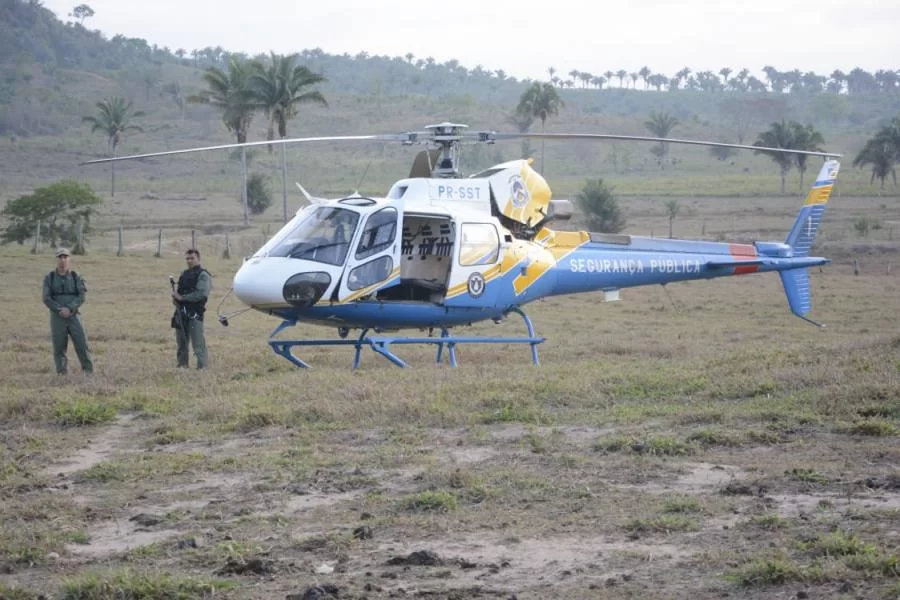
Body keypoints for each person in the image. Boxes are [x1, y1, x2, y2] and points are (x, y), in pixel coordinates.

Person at [42, 248, 93, 375]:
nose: (62, 260)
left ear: (69, 259)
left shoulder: (76, 276)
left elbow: (81, 296)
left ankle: (88, 371)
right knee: (58, 346)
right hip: (57, 317)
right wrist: (59, 309)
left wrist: (70, 308)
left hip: (74, 315)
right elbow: (46, 298)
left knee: (82, 343)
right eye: (60, 257)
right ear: (56, 259)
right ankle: (62, 373)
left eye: (65, 257)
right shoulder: (49, 277)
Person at [172, 248, 210, 369]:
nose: (189, 261)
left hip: (195, 313)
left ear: (198, 259)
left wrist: (182, 298)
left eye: (192, 258)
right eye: (187, 258)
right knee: (181, 343)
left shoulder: (203, 275)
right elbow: (179, 292)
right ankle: (182, 366)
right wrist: (176, 299)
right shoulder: (184, 274)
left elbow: (201, 294)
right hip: (181, 312)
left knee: (198, 344)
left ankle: (202, 368)